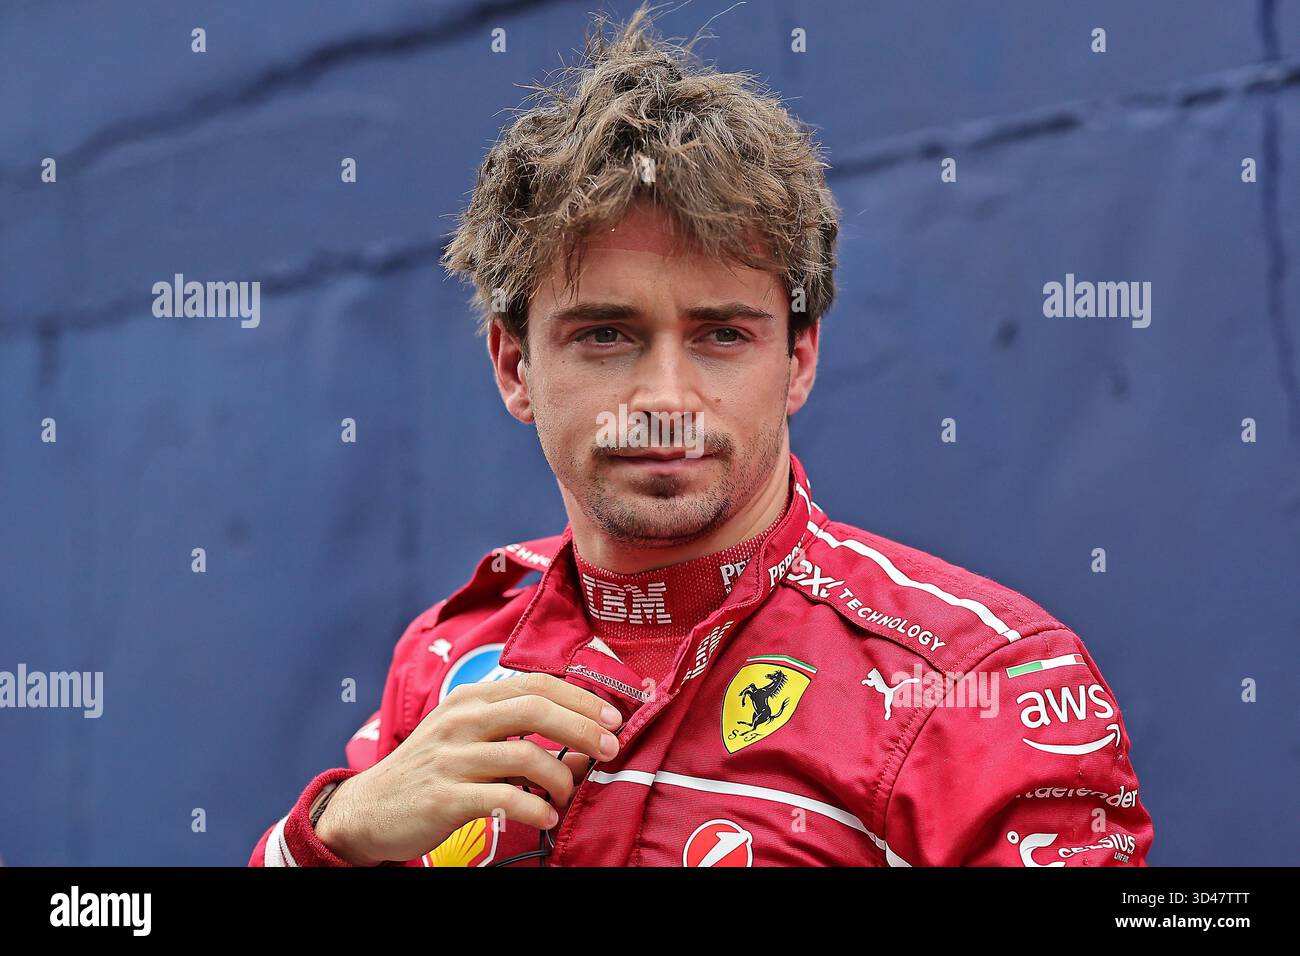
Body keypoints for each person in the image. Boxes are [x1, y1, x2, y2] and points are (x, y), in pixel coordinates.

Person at [250, 4, 1153, 868]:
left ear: (799, 359)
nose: (666, 397)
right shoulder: (447, 654)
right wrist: (337, 831)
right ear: (514, 366)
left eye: (723, 334)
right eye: (605, 334)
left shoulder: (983, 681)